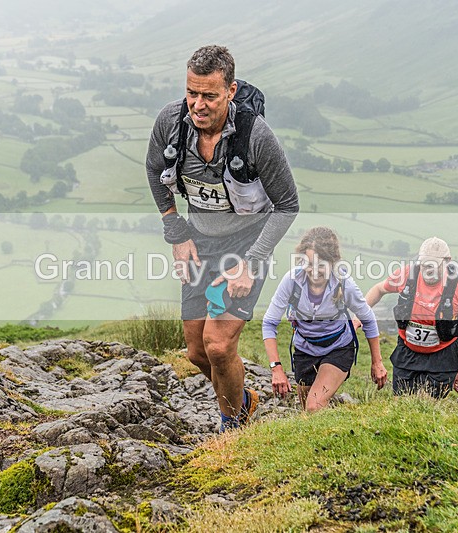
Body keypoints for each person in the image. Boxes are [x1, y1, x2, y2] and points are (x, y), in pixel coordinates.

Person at [146, 45, 299, 431]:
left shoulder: (255, 135)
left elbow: (287, 205)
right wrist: (176, 232)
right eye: (191, 93)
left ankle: (232, 426)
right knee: (197, 351)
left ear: (230, 91)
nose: (198, 105)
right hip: (199, 242)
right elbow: (153, 169)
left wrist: (252, 262)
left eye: (209, 96)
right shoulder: (171, 122)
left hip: (247, 244)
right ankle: (243, 401)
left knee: (218, 344)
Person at [262, 227, 388, 411]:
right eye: (308, 264)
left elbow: (367, 318)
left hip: (338, 348)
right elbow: (269, 323)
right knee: (307, 409)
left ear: (332, 262)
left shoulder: (344, 283)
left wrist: (377, 362)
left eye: (321, 265)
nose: (314, 271)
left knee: (314, 405)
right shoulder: (292, 281)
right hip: (305, 350)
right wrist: (276, 368)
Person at [363, 237, 458, 399]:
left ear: (447, 262)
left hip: (442, 356)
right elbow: (379, 289)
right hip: (407, 352)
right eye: (424, 264)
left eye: (433, 265)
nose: (428, 270)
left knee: (429, 405)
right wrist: (360, 315)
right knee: (401, 402)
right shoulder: (407, 275)